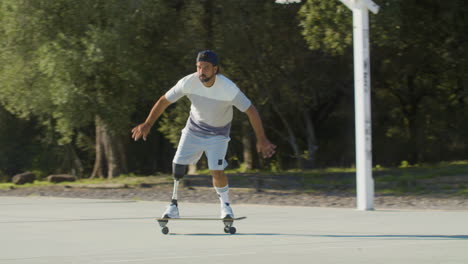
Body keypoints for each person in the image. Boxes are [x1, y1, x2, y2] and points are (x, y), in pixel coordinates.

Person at [131, 50, 276, 219]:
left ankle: (226, 207)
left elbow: (251, 111)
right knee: (177, 167)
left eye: (206, 68)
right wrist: (148, 123)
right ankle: (173, 206)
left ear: (216, 69)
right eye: (199, 67)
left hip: (218, 135)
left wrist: (261, 139)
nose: (201, 72)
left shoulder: (228, 88)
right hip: (193, 130)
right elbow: (164, 100)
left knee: (217, 171)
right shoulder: (188, 82)